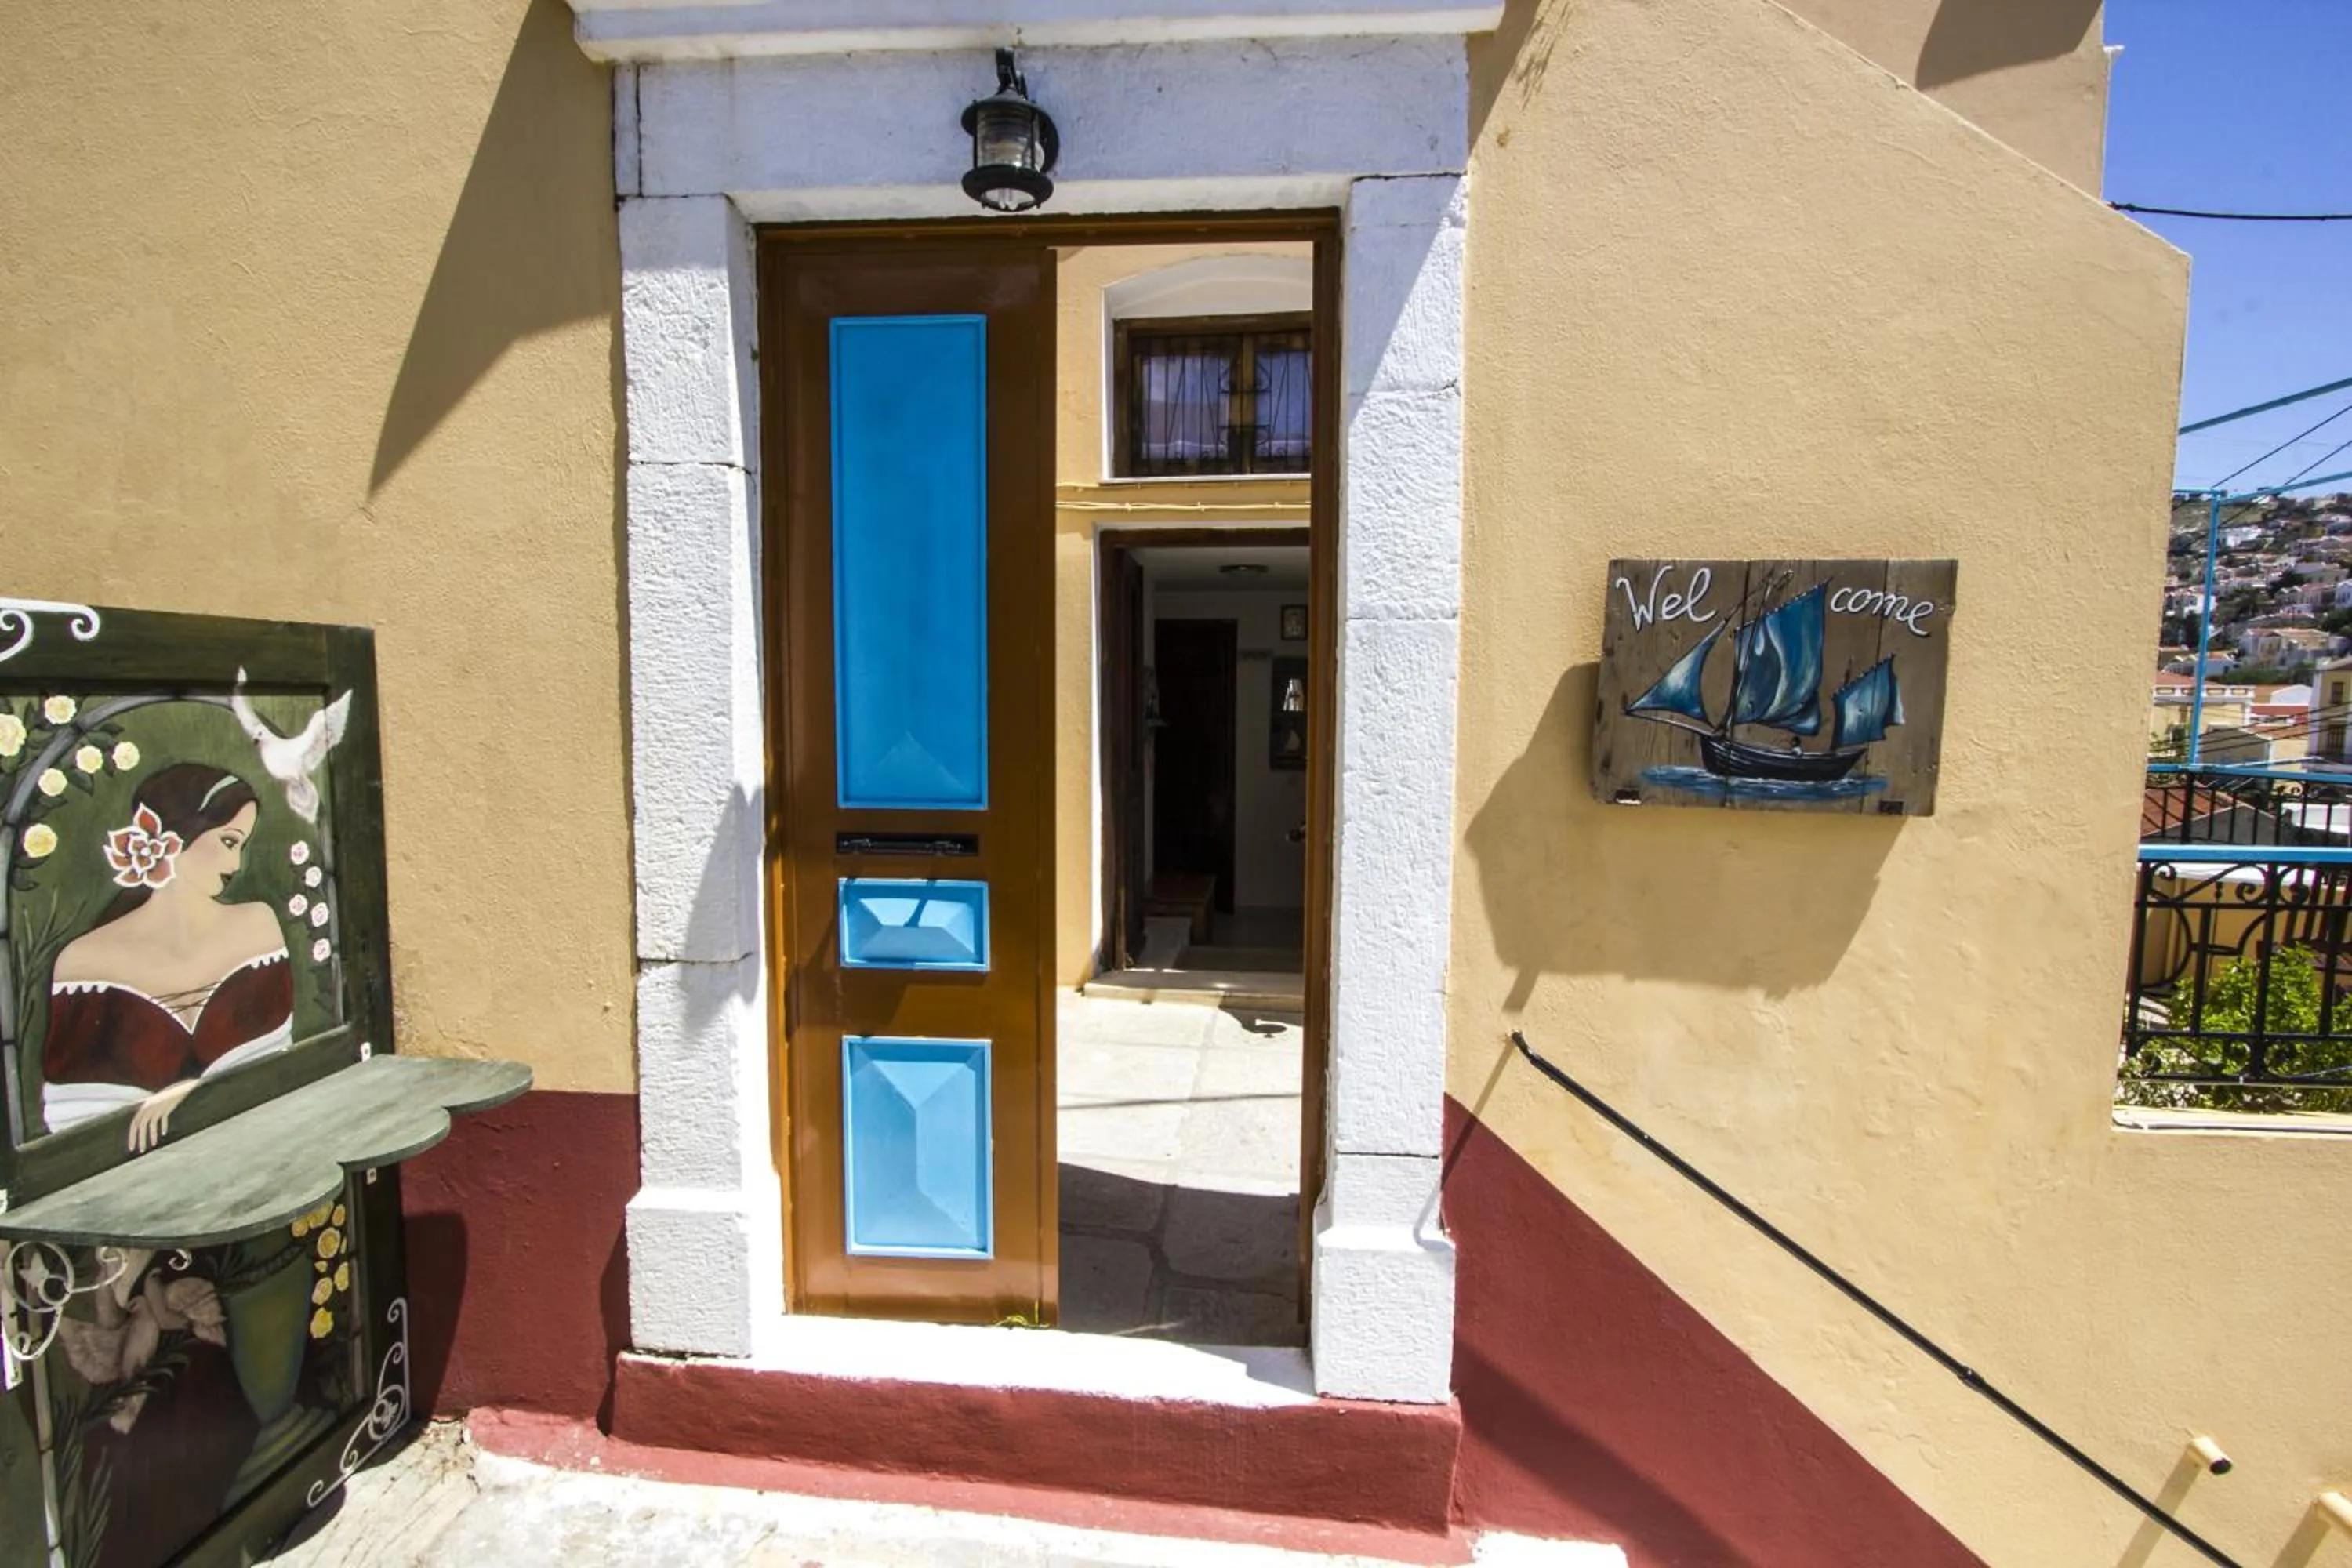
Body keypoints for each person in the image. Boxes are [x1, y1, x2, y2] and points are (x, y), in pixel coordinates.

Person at [44, 764, 292, 1149]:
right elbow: (69, 1119)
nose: (236, 865)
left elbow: (281, 1066)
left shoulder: (258, 925)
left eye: (242, 846)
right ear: (178, 836)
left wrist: (190, 1091)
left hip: (264, 1144)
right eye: (229, 842)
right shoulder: (83, 960)